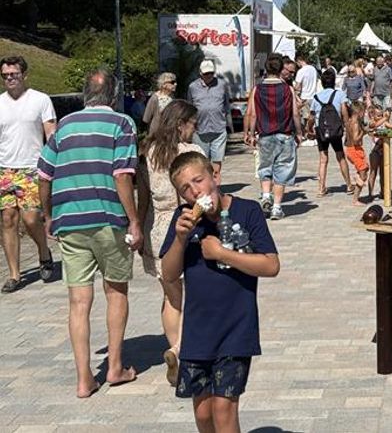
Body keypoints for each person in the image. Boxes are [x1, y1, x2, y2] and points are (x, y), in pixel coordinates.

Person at [37, 68, 141, 397]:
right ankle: (114, 367)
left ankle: (84, 379)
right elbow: (123, 176)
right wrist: (134, 220)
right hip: (109, 220)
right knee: (116, 292)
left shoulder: (64, 126)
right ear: (114, 95)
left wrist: (49, 214)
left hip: (69, 220)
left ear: (85, 95)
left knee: (78, 302)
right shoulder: (122, 124)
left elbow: (44, 175)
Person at [161, 152, 279, 433]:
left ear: (215, 176)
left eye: (198, 181)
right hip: (198, 331)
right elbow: (169, 273)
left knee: (223, 410)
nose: (194, 191)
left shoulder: (247, 211)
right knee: (203, 414)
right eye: (185, 189)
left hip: (236, 328)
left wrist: (222, 253)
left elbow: (271, 265)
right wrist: (179, 239)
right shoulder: (184, 220)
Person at [135, 100, 204, 385]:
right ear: (181, 124)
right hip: (189, 224)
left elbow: (143, 197)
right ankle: (181, 349)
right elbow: (206, 194)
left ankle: (176, 347)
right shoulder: (193, 153)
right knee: (196, 295)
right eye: (192, 124)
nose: (195, 129)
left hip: (158, 227)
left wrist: (137, 227)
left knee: (171, 296)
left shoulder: (147, 153)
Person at [0, 55, 57, 292]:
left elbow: (51, 135)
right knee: (7, 220)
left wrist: (52, 164)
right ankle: (14, 274)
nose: (10, 78)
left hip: (32, 168)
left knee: (31, 218)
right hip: (5, 169)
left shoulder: (40, 100)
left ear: (24, 75)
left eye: (14, 74)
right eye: (5, 75)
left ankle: (44, 252)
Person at [244, 54, 303, 220]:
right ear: (280, 69)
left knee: (265, 167)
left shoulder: (257, 89)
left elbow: (253, 114)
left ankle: (265, 195)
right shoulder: (287, 89)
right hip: (284, 134)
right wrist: (299, 132)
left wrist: (250, 133)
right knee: (282, 170)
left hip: (265, 135)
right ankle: (277, 207)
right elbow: (295, 114)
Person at [307, 69, 352, 196]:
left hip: (320, 130)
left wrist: (308, 129)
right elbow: (344, 113)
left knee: (323, 159)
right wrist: (347, 128)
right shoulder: (340, 94)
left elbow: (311, 117)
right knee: (340, 156)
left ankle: (321, 188)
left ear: (321, 83)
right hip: (335, 129)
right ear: (334, 82)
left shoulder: (316, 97)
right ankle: (349, 185)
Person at [187, 60, 231, 182]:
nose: (209, 76)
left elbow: (226, 106)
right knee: (201, 161)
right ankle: (206, 184)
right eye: (206, 73)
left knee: (217, 161)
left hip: (219, 128)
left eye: (211, 73)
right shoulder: (192, 87)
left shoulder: (222, 85)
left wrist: (229, 125)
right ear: (200, 73)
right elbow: (189, 107)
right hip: (200, 129)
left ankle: (215, 186)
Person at [343, 101, 369, 207]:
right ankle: (355, 199)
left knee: (365, 169)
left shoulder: (349, 121)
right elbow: (355, 139)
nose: (364, 114)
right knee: (363, 173)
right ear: (359, 112)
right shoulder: (355, 123)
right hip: (354, 149)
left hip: (351, 149)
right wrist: (364, 132)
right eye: (363, 111)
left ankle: (358, 179)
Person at [293, 53, 318, 142]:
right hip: (313, 96)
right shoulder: (313, 69)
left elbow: (298, 86)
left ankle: (308, 135)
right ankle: (312, 134)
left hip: (305, 96)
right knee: (313, 117)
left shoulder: (301, 71)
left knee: (305, 118)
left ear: (299, 61)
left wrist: (292, 87)